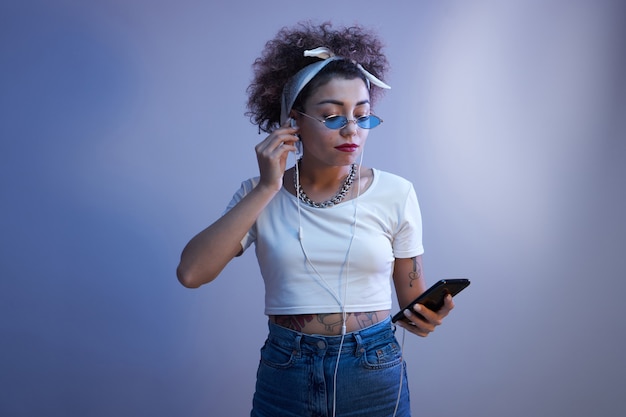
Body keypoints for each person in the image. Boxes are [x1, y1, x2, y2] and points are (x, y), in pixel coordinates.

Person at [177, 21, 455, 417]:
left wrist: (430, 314)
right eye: (332, 116)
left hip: (371, 368)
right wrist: (266, 188)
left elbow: (413, 303)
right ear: (295, 121)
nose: (352, 130)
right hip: (286, 368)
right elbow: (191, 273)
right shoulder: (258, 196)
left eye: (362, 115)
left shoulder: (397, 193)